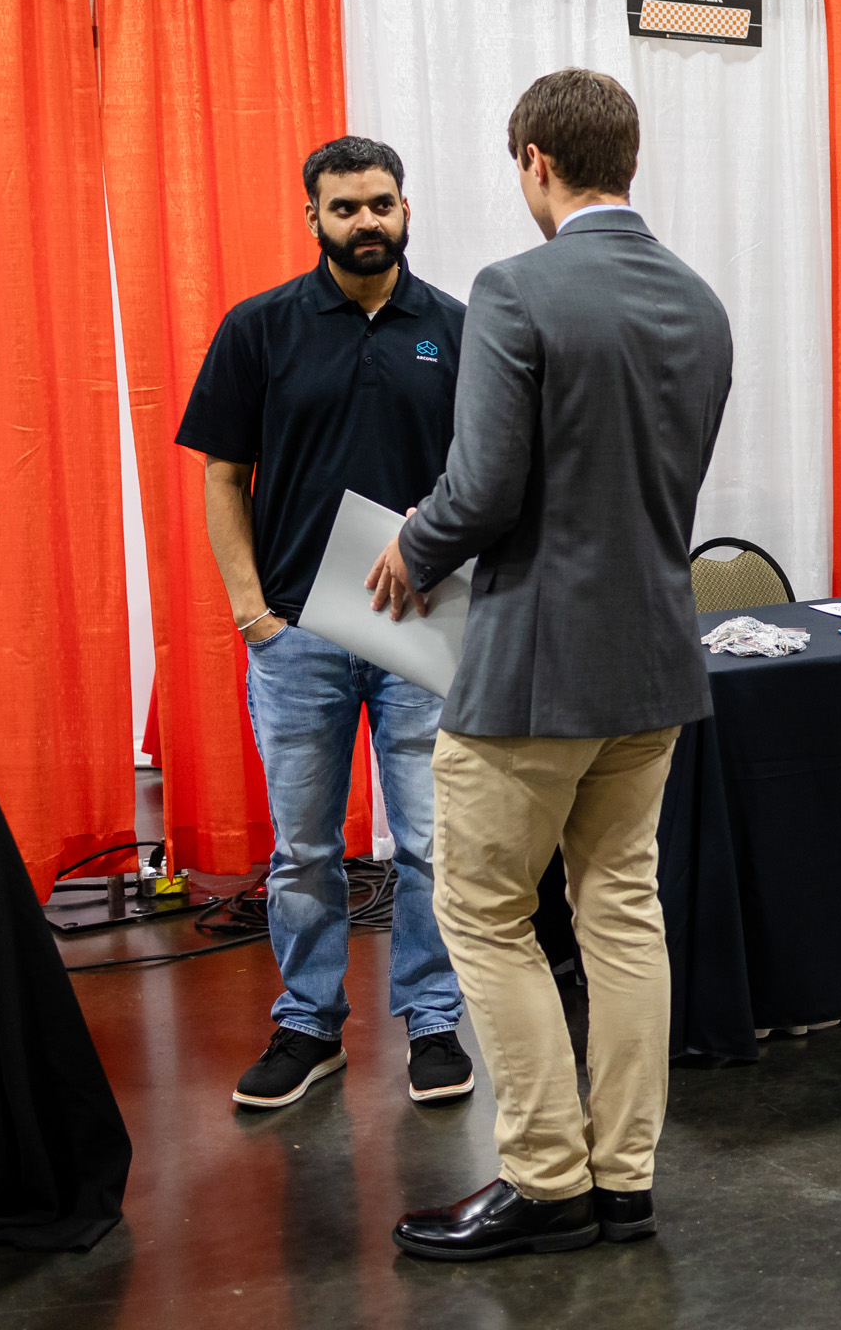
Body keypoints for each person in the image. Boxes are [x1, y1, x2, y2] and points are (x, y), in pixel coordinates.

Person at [372, 69, 734, 1262]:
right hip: (655, 661)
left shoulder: (514, 289)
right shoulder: (699, 301)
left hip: (533, 666)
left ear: (534, 159)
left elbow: (481, 489)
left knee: (481, 911)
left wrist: (409, 549)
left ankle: (543, 1178)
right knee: (623, 908)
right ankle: (623, 1179)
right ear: (625, 157)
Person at [175, 136, 475, 1112]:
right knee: (304, 846)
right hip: (298, 632)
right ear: (312, 218)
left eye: (381, 204)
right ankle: (308, 1023)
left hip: (420, 629)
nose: (366, 223)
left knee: (430, 842)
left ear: (406, 209)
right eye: (344, 208)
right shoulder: (258, 328)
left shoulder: (458, 329)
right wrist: (251, 612)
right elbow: (225, 475)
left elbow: (485, 479)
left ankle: (432, 1018)